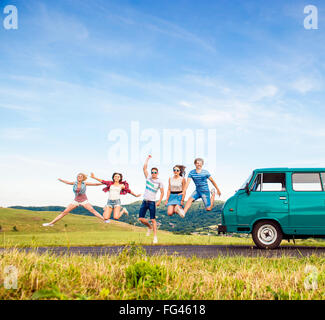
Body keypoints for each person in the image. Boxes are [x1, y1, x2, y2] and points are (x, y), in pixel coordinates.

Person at [138, 155, 164, 244]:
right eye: (152, 172)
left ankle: (155, 237)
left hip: (152, 202)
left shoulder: (160, 181)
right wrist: (147, 159)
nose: (153, 173)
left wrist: (159, 201)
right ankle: (149, 227)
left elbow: (162, 192)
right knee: (141, 219)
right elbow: (144, 168)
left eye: (155, 172)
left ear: (157, 173)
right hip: (144, 201)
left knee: (153, 219)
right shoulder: (148, 177)